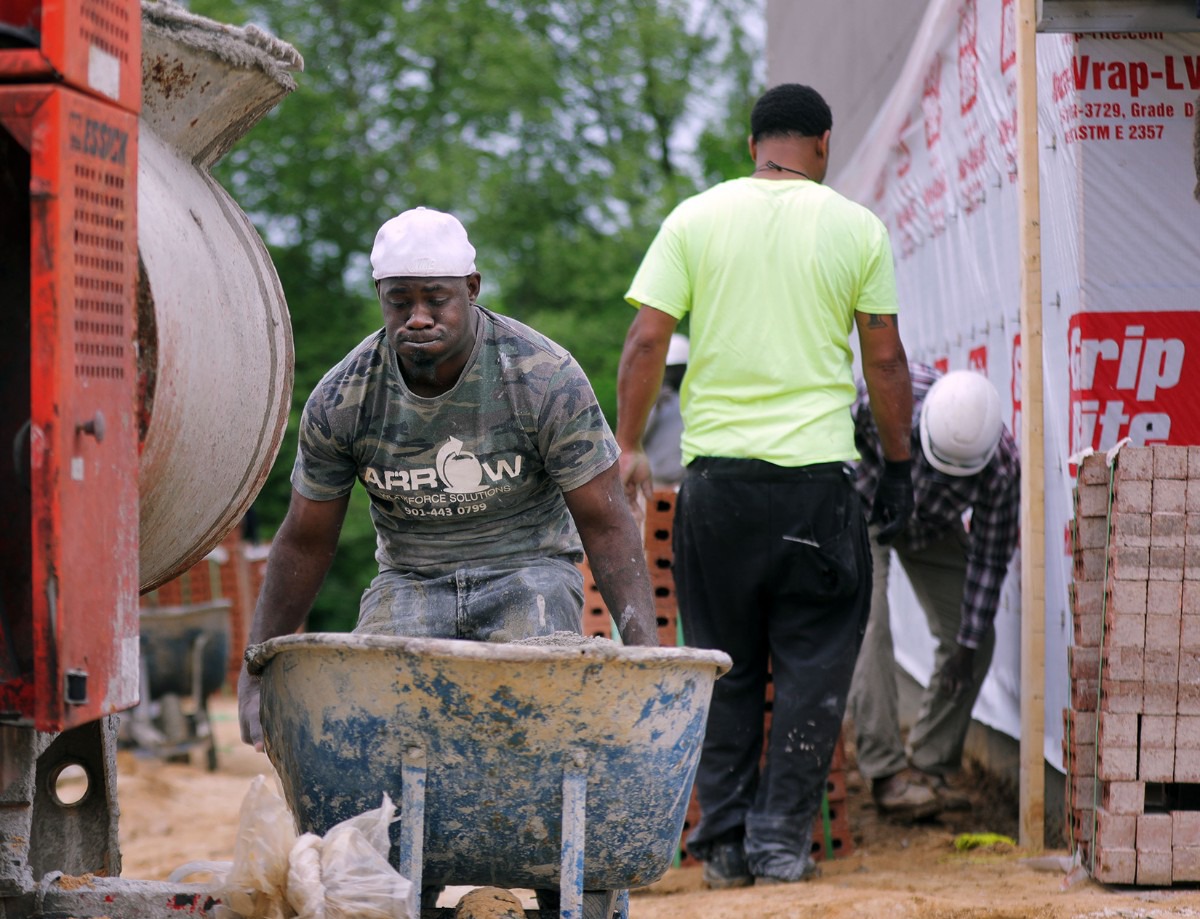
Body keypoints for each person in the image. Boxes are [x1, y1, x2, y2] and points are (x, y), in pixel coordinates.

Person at [616, 83, 915, 888]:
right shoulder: (856, 227)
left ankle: (723, 843)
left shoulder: (695, 219)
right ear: (822, 142)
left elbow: (647, 339)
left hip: (717, 491)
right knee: (815, 663)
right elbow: (884, 359)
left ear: (754, 145)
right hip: (817, 488)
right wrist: (898, 463)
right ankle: (781, 837)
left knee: (725, 662)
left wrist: (629, 442)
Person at [239, 206, 660, 751]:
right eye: (400, 301)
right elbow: (305, 537)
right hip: (410, 581)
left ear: (471, 289)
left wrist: (645, 654)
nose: (418, 317)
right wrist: (255, 672)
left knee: (530, 722)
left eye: (436, 299)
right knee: (363, 724)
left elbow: (605, 523)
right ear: (379, 297)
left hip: (527, 572)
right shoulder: (345, 398)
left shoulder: (543, 377)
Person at [848, 363, 1020, 820]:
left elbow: (989, 557)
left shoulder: (1001, 464)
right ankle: (885, 774)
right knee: (868, 627)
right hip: (866, 508)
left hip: (930, 526)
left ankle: (928, 767)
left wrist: (964, 644)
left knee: (976, 641)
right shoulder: (876, 397)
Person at [641, 333, 689, 488]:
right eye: (667, 369)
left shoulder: (692, 399)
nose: (670, 375)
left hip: (685, 481)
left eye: (675, 370)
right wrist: (653, 406)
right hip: (655, 482)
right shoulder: (649, 400)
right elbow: (635, 440)